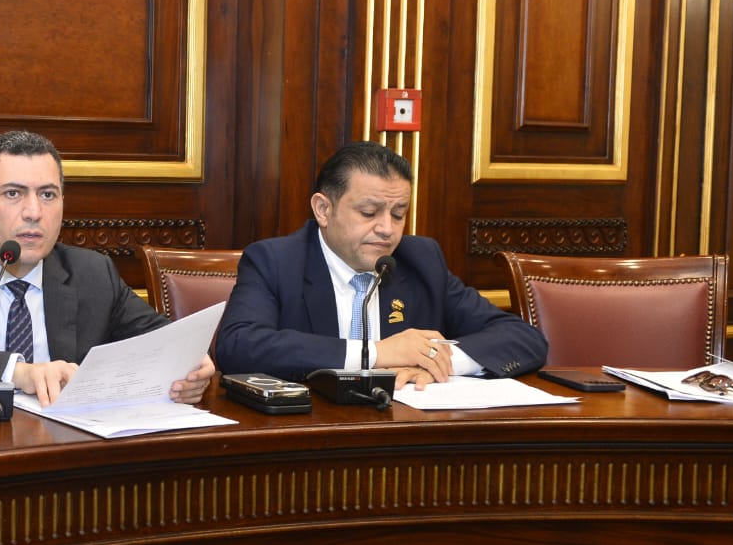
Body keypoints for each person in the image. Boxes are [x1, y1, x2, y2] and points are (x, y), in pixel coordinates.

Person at [0, 130, 216, 406]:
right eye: (13, 194)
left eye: (47, 195)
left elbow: (164, 341)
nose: (34, 212)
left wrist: (191, 365)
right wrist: (14, 372)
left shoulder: (93, 273)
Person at [215, 141, 547, 387]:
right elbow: (239, 347)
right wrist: (375, 353)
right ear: (323, 210)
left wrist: (437, 361)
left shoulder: (420, 260)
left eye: (399, 214)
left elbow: (523, 338)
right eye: (369, 212)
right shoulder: (275, 261)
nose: (387, 229)